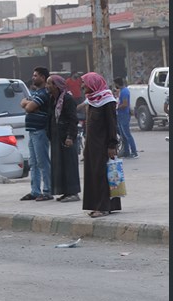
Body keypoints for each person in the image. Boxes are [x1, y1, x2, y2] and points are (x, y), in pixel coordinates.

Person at [80, 72, 121, 218]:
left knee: (102, 175)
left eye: (84, 82)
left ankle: (104, 207)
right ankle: (97, 205)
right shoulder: (92, 100)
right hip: (92, 145)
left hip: (103, 145)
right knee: (93, 175)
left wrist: (112, 145)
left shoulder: (107, 100)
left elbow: (112, 124)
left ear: (93, 83)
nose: (82, 85)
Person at [19, 66, 53, 201]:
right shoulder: (35, 93)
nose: (33, 78)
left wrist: (28, 104)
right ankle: (35, 190)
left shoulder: (44, 93)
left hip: (40, 131)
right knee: (33, 163)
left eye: (35, 76)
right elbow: (23, 103)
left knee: (42, 162)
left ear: (42, 78)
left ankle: (47, 190)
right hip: (32, 131)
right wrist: (28, 103)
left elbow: (28, 107)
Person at [46, 74, 81, 202]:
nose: (47, 86)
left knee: (69, 164)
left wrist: (70, 136)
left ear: (56, 86)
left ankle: (73, 192)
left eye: (49, 83)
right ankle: (65, 192)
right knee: (60, 165)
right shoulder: (53, 99)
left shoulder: (67, 99)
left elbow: (73, 119)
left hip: (66, 137)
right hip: (56, 137)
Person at [113, 77, 139, 158]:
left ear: (117, 84)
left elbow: (125, 104)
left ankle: (134, 152)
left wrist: (117, 107)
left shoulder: (124, 92)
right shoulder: (122, 91)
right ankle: (126, 152)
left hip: (124, 114)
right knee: (123, 135)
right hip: (121, 115)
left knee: (127, 134)